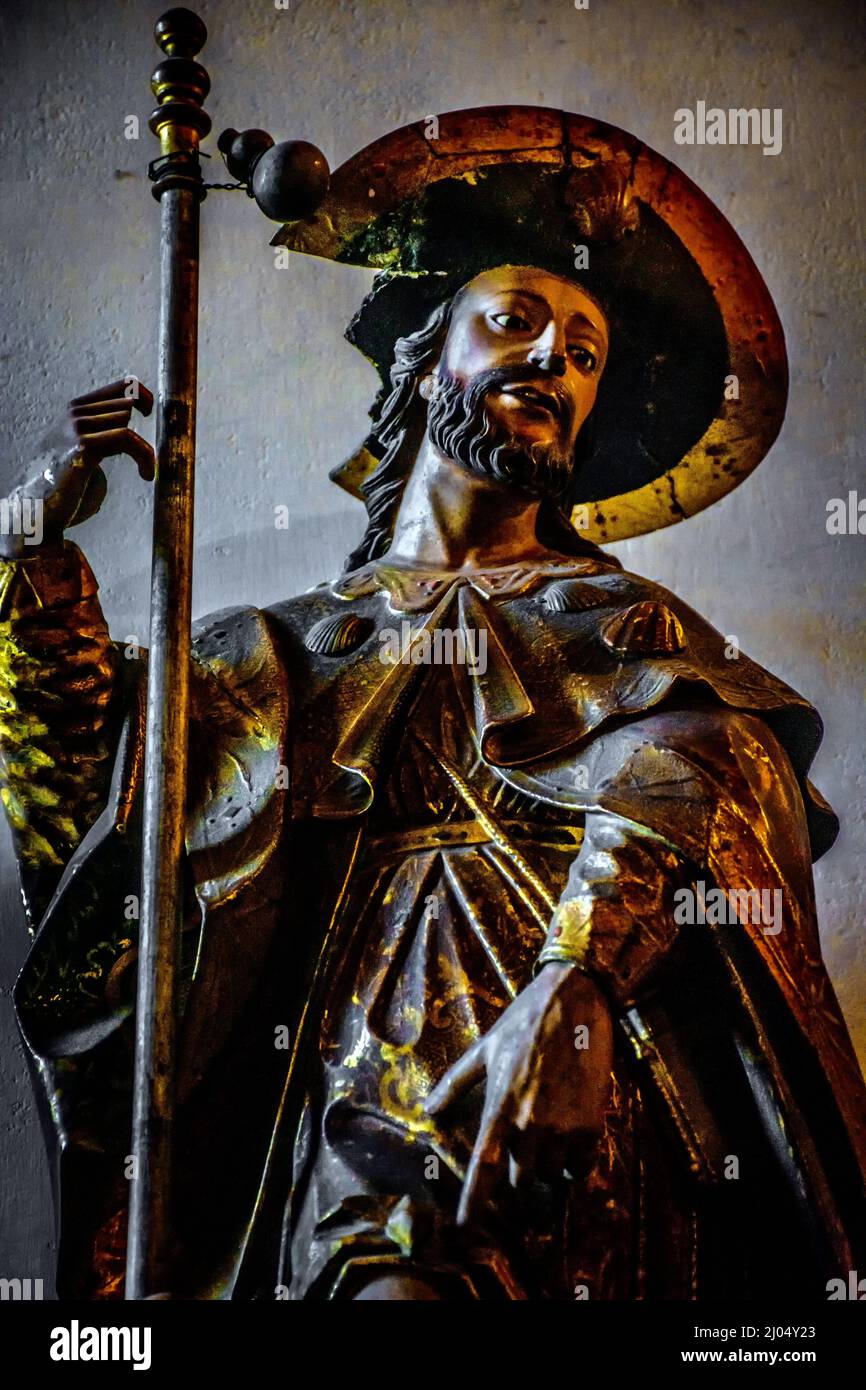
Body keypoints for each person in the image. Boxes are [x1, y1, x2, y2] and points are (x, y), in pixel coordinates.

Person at [1, 108, 864, 1300]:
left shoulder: (623, 624)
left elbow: (716, 778)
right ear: (423, 360)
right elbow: (95, 834)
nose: (551, 362)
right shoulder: (274, 648)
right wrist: (32, 548)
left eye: (580, 351)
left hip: (568, 1069)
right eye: (513, 322)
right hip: (348, 1067)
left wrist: (575, 986)